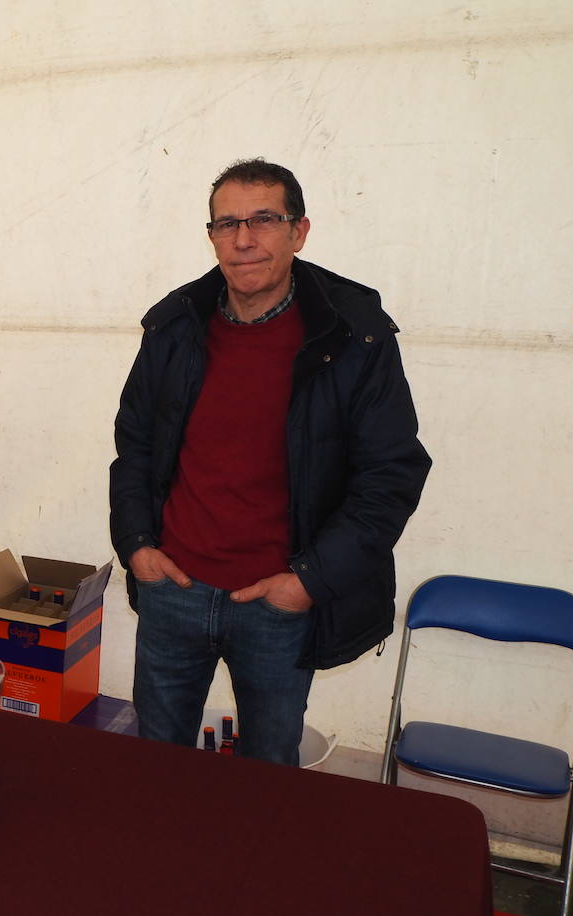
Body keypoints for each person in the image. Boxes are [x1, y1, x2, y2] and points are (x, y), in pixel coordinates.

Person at [108, 159, 431, 765]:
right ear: (211, 236)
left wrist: (307, 583)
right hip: (172, 589)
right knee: (152, 772)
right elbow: (135, 446)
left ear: (299, 232)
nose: (243, 238)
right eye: (226, 223)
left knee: (270, 781)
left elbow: (391, 475)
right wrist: (137, 546)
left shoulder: (353, 335)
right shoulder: (175, 326)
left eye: (263, 219)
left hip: (277, 604)